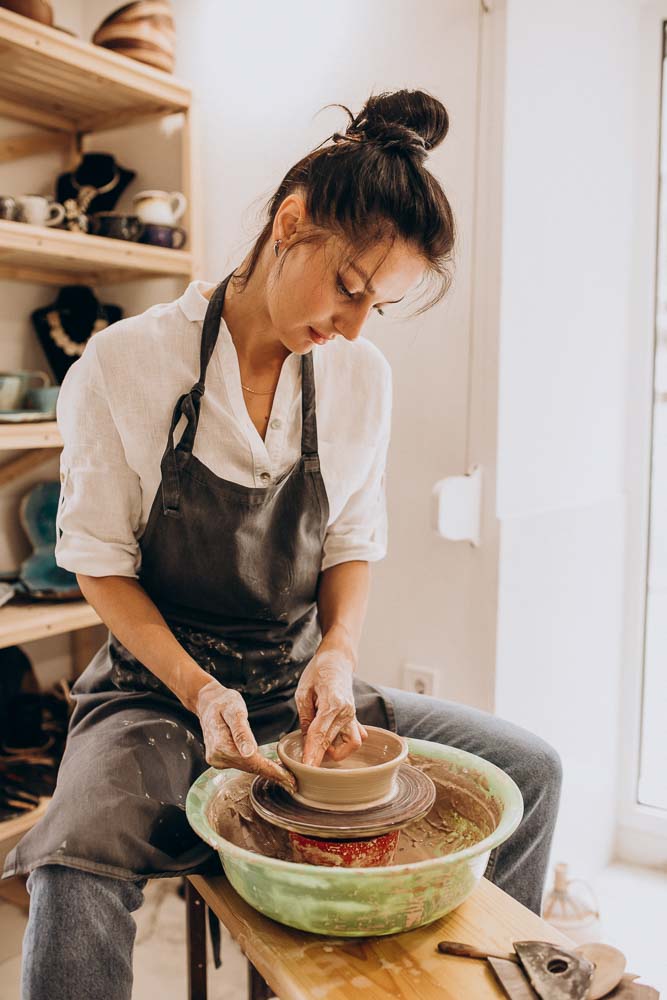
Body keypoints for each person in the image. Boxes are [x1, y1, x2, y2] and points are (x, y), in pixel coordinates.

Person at [4, 89, 562, 1000]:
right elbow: (97, 565)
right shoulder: (126, 364)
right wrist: (198, 688)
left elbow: (349, 540)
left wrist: (337, 657)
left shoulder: (356, 375)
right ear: (290, 223)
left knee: (528, 770)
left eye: (377, 306)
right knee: (72, 859)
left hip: (299, 695)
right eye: (348, 288)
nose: (350, 326)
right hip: (155, 694)